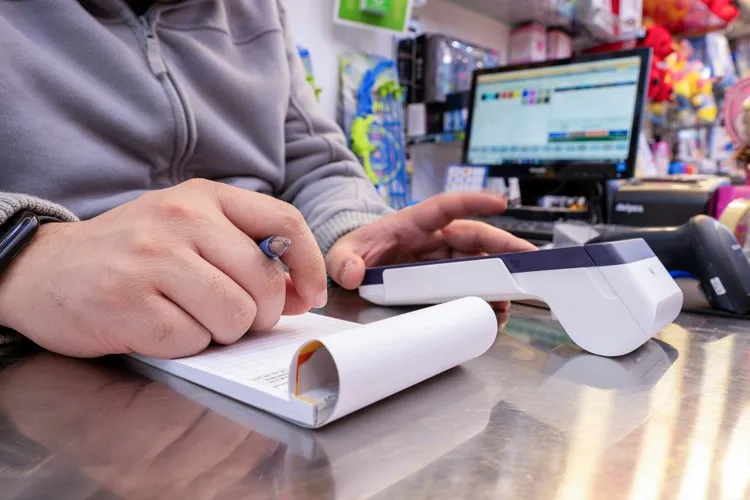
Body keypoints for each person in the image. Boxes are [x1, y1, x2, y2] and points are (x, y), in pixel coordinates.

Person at [0, 0, 534, 359]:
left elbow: (313, 158)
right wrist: (23, 254)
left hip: (266, 329)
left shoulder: (259, 8)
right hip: (44, 350)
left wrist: (358, 233)